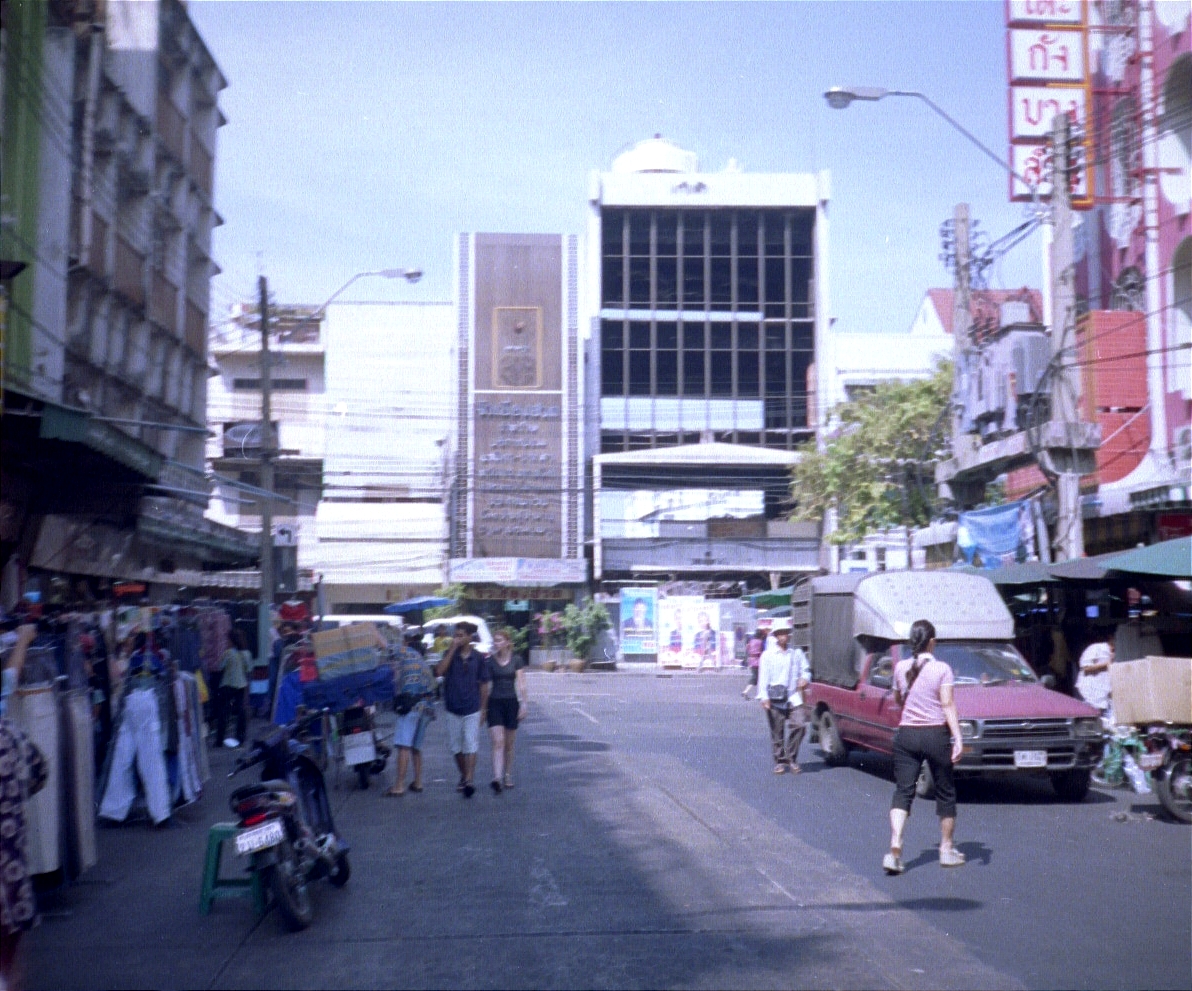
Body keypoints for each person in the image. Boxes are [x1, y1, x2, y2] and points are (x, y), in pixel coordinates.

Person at [884, 619, 965, 875]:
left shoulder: (900, 667)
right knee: (945, 792)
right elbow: (947, 704)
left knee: (903, 791)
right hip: (935, 735)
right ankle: (946, 849)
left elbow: (898, 698)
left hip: (907, 735)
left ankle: (895, 846)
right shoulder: (942, 669)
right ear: (932, 642)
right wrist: (958, 737)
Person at [0, 715, 48, 991]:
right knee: (11, 923)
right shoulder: (11, 731)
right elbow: (40, 771)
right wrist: (17, 798)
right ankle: (9, 975)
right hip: (13, 849)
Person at [435, 621, 491, 798]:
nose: (457, 639)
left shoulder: (478, 657)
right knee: (456, 747)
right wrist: (452, 650)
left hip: (472, 707)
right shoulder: (449, 654)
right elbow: (439, 671)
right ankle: (464, 774)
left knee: (471, 744)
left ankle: (469, 780)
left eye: (460, 635)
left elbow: (484, 684)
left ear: (469, 637)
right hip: (453, 707)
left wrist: (484, 709)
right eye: (455, 635)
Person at [756, 619, 812, 774]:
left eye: (786, 633)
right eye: (780, 633)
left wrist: (805, 678)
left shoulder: (796, 653)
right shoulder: (768, 655)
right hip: (775, 697)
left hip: (793, 696)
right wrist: (764, 697)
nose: (783, 636)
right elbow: (763, 677)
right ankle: (780, 761)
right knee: (777, 731)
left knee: (800, 725)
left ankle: (791, 757)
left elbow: (806, 670)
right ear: (775, 635)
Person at [386, 632, 436, 797]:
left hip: (411, 707)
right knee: (416, 747)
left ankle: (399, 785)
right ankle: (418, 782)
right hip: (426, 710)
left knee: (404, 746)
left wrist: (372, 631)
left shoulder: (408, 655)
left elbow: (387, 647)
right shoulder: (425, 666)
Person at [486, 628, 528, 793]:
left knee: (509, 744)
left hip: (511, 703)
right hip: (495, 703)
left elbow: (521, 683)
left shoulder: (516, 660)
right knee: (498, 741)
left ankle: (508, 774)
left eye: (499, 640)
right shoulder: (490, 661)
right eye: (495, 640)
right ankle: (496, 777)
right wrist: (482, 707)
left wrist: (524, 704)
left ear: (507, 642)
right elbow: (485, 685)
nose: (496, 643)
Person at [216, 629, 251, 749]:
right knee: (241, 711)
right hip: (241, 685)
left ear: (231, 640)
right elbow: (248, 669)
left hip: (227, 684)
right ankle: (240, 738)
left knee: (224, 712)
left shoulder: (228, 653)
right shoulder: (246, 654)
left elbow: (220, 666)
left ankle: (220, 739)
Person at [1076, 632, 1114, 723]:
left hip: (1107, 695)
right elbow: (1085, 668)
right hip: (1091, 693)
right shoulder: (1096, 648)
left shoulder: (1119, 652)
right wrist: (1107, 664)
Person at [742, 628, 765, 699]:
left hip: (751, 660)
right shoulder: (760, 642)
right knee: (756, 677)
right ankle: (745, 691)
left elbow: (747, 650)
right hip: (757, 661)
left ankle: (759, 693)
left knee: (757, 677)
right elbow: (762, 651)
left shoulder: (751, 641)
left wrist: (746, 659)